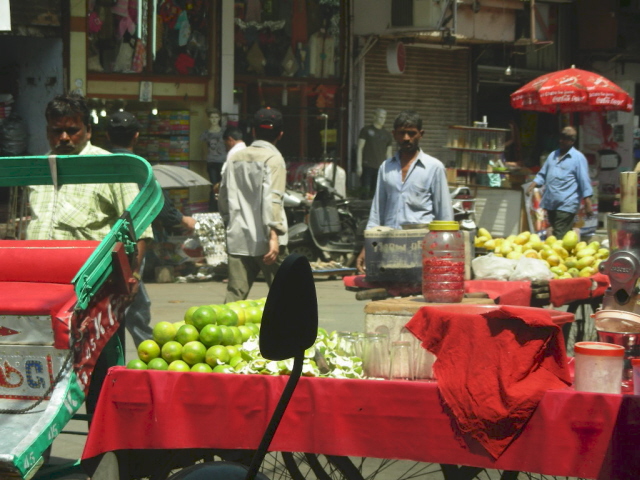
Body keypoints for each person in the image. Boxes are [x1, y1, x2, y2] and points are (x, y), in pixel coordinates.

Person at [106, 111, 197, 346]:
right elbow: (162, 207)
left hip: (99, 244)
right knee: (135, 296)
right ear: (136, 136)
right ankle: (145, 346)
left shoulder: (100, 165)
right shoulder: (140, 169)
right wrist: (182, 219)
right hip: (133, 243)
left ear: (107, 136)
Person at [356, 110, 454, 274]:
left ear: (420, 134)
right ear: (394, 134)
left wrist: (445, 254)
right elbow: (377, 212)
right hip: (389, 250)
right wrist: (367, 246)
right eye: (402, 133)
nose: (406, 138)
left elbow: (445, 215)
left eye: (411, 133)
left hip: (422, 250)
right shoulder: (385, 167)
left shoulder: (434, 168)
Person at [218, 107, 288, 303]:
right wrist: (274, 234)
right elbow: (272, 198)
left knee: (234, 299)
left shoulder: (234, 158)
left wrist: (229, 224)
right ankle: (285, 334)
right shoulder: (274, 159)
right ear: (280, 134)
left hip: (238, 238)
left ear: (254, 132)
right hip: (268, 241)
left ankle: (224, 334)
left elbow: (222, 197)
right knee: (284, 296)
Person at [526, 126, 593, 240]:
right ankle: (572, 242)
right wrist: (532, 185)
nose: (561, 141)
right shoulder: (553, 155)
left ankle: (562, 253)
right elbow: (543, 174)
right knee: (560, 232)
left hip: (567, 204)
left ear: (572, 141)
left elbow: (584, 181)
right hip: (551, 203)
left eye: (565, 138)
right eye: (561, 137)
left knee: (559, 234)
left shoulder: (578, 158)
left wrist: (588, 202)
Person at [357, 108, 393, 195]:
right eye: (380, 117)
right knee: (365, 193)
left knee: (377, 195)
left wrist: (390, 170)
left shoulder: (387, 134)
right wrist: (359, 166)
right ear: (374, 117)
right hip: (367, 166)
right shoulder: (365, 130)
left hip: (381, 168)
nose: (382, 120)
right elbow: (360, 148)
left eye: (384, 117)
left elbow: (388, 153)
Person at [200, 107, 227, 211]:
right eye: (212, 117)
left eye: (216, 117)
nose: (214, 119)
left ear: (219, 118)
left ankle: (222, 208)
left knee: (223, 185)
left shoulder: (224, 132)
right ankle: (212, 208)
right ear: (209, 119)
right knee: (214, 185)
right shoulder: (206, 134)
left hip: (223, 161)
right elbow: (202, 148)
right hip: (211, 161)